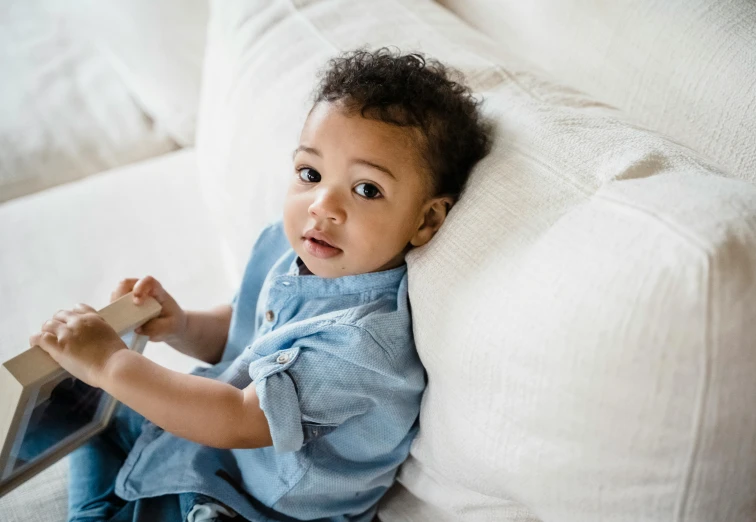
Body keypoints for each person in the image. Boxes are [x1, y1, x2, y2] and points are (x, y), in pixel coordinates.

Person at [30, 48, 491, 522]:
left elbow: (237, 417)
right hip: (206, 455)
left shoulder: (362, 347)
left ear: (426, 219)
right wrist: (183, 325)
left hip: (252, 504)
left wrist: (110, 362)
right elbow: (245, 330)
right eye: (310, 175)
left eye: (366, 189)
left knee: (116, 392)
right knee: (94, 414)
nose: (321, 204)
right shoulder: (291, 245)